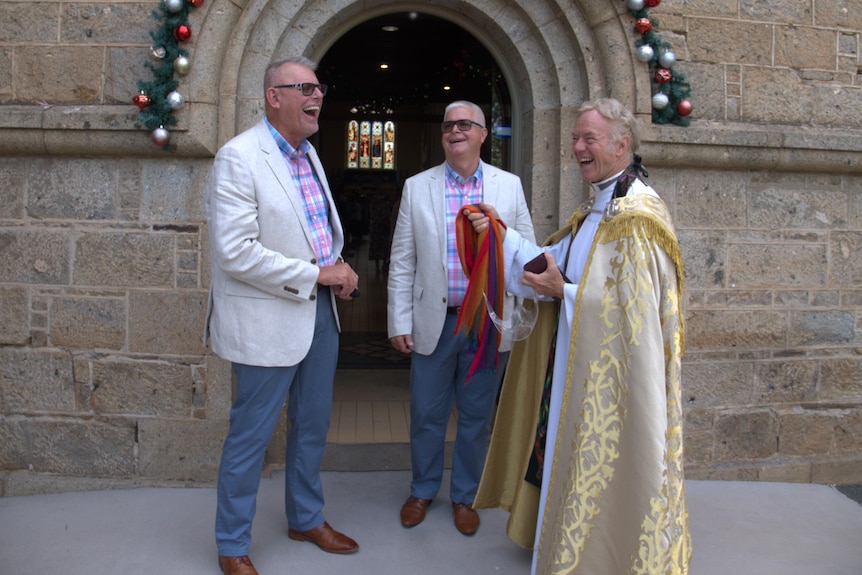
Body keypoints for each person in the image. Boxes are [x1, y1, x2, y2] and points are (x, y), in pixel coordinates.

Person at [469, 98, 691, 574]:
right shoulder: (598, 208)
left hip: (613, 386)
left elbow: (633, 319)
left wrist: (564, 292)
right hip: (575, 364)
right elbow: (554, 261)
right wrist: (499, 235)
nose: (577, 148)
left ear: (621, 144)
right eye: (575, 138)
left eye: (589, 138)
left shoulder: (637, 217)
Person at [205, 56, 360, 575]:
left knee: (312, 428)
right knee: (251, 436)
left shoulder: (309, 154)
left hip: (319, 316)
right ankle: (231, 544)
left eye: (320, 87)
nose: (318, 96)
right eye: (306, 88)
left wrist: (337, 267)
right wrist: (319, 275)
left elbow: (314, 234)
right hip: (268, 320)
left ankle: (306, 518)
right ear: (274, 96)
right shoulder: (238, 157)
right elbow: (236, 251)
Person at [387, 100, 536, 536]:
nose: (455, 131)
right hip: (435, 319)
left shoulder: (508, 186)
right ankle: (422, 490)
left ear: (483, 134)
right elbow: (402, 259)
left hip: (486, 322)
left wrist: (500, 235)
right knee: (426, 413)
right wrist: (399, 319)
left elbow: (527, 252)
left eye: (466, 125)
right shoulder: (418, 187)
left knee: (475, 415)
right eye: (449, 125)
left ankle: (465, 496)